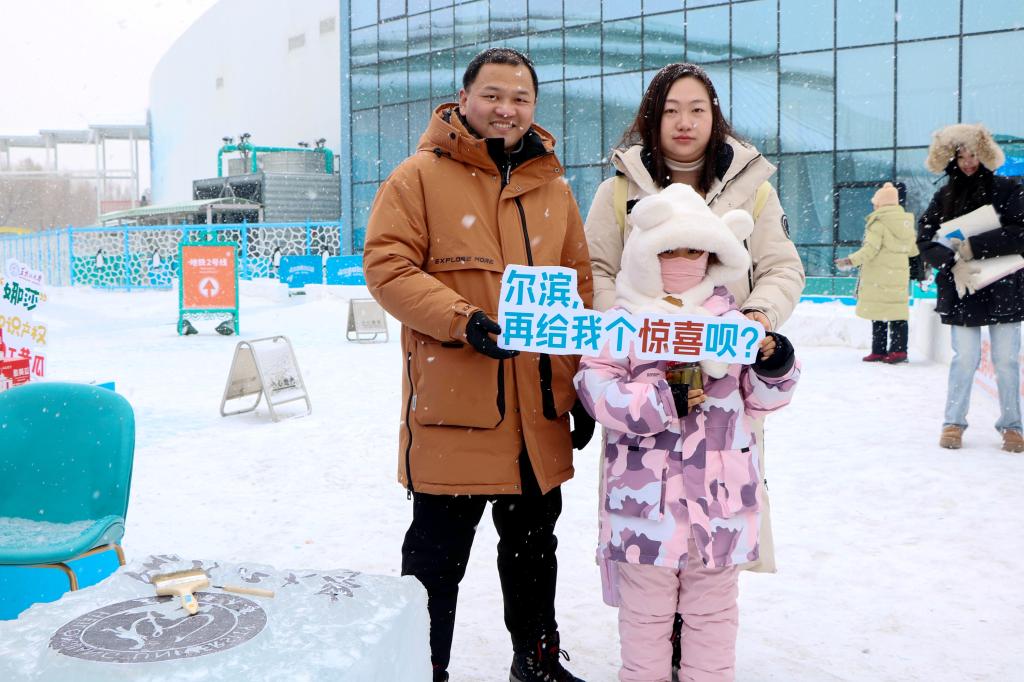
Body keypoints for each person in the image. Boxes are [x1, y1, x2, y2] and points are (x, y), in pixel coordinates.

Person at [362, 48, 594, 682]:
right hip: (455, 413)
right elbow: (387, 268)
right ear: (463, 99)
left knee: (533, 554)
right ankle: (422, 669)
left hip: (537, 412)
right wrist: (462, 319)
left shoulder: (553, 188)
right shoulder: (418, 177)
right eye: (493, 95)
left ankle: (536, 662)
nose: (506, 109)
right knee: (435, 562)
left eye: (520, 98)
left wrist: (579, 387)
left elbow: (578, 291)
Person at [575, 184, 800, 681]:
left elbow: (762, 400)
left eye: (694, 251)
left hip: (720, 504)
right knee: (644, 622)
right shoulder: (622, 324)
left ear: (713, 256)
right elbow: (596, 390)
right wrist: (661, 401)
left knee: (714, 621)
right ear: (644, 253)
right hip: (644, 510)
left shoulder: (734, 324)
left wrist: (775, 366)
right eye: (669, 251)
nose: (682, 262)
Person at [917, 123, 1024, 452]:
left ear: (984, 154)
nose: (968, 162)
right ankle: (953, 422)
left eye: (973, 154)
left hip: (1004, 286)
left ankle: (1012, 426)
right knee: (964, 358)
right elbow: (925, 239)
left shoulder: (1007, 188)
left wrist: (973, 246)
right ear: (951, 158)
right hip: (962, 289)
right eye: (961, 156)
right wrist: (952, 262)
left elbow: (1020, 232)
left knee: (1006, 360)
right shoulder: (944, 196)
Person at [834, 182, 918, 363]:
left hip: (879, 276)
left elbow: (870, 250)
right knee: (897, 312)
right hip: (898, 276)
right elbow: (912, 250)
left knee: (878, 312)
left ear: (880, 204)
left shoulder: (878, 222)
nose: (874, 207)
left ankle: (879, 350)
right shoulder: (906, 223)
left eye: (875, 203)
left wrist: (850, 260)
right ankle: (899, 350)